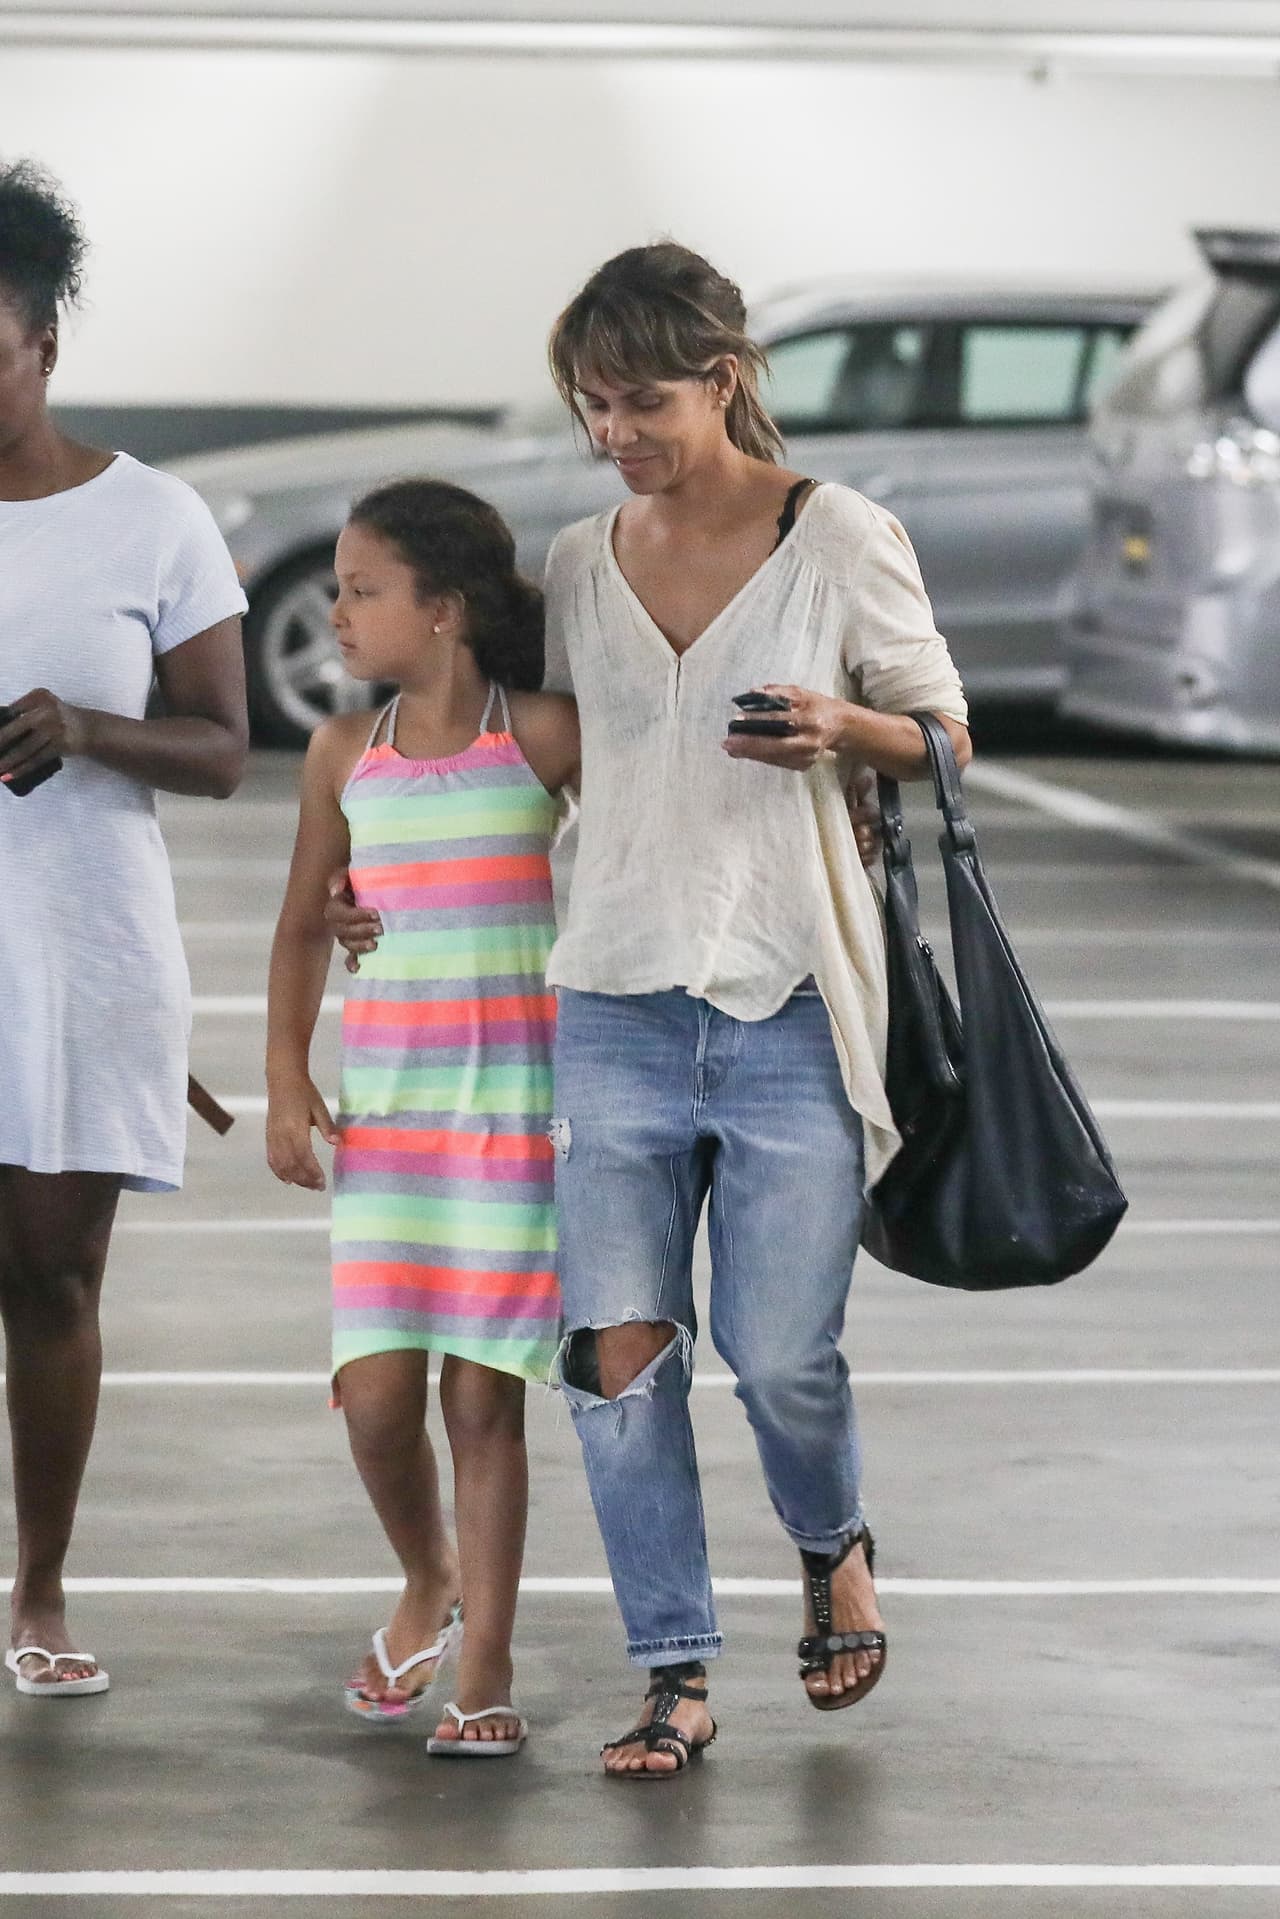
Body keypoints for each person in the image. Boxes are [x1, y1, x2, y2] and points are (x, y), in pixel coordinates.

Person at [330, 242, 970, 1779]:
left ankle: (832, 1541)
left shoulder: (838, 538)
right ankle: (673, 1666)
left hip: (791, 997)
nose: (614, 428)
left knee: (778, 1344)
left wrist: (844, 724)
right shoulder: (572, 561)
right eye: (591, 403)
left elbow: (948, 737)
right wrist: (383, 898)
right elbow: (500, 748)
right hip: (609, 999)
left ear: (725, 376)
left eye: (641, 398)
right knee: (617, 1360)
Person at [266, 479, 578, 1755]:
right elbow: (300, 923)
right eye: (339, 586)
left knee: (482, 1403)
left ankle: (486, 1666)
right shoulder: (346, 753)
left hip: (511, 1116)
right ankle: (425, 1576)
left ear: (443, 610)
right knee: (381, 1397)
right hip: (387, 1124)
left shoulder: (549, 738)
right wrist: (288, 1079)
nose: (335, 611)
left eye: (360, 587)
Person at [0, 161, 249, 1698]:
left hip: (80, 950)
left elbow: (223, 746)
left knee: (52, 1280)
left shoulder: (152, 515)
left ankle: (39, 1590)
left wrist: (88, 725)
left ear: (44, 344)